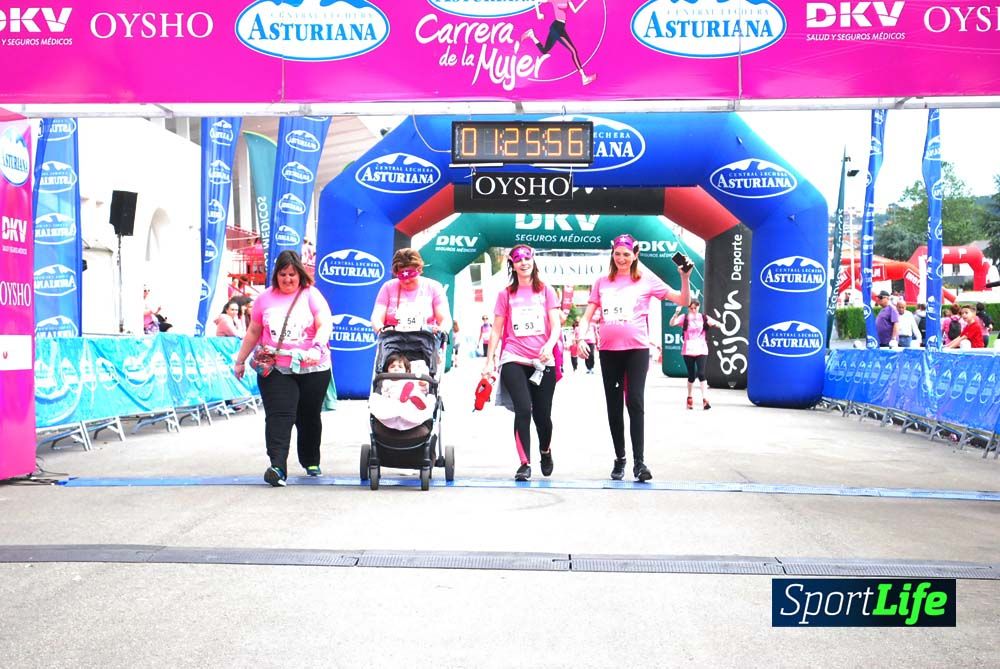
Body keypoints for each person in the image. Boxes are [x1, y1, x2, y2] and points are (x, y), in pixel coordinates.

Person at [577, 234, 691, 482]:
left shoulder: (646, 280)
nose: (621, 259)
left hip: (636, 350)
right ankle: (620, 458)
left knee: (635, 401)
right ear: (612, 254)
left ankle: (639, 462)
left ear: (635, 255)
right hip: (609, 351)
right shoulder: (601, 282)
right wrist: (580, 337)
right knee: (614, 405)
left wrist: (684, 277)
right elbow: (586, 317)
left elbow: (683, 300)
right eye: (617, 254)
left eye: (626, 254)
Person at [234, 250, 332, 487]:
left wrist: (317, 346)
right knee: (279, 415)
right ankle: (277, 467)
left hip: (312, 367)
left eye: (292, 274)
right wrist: (240, 360)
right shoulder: (264, 299)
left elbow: (324, 323)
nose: (287, 279)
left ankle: (310, 459)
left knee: (308, 416)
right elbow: (254, 331)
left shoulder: (311, 295)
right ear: (276, 275)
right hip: (276, 367)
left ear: (300, 275)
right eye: (283, 274)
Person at [482, 244, 562, 481]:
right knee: (523, 409)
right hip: (513, 356)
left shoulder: (546, 291)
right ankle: (524, 463)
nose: (523, 263)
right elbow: (496, 330)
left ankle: (545, 451)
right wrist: (490, 361)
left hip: (542, 360)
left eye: (527, 258)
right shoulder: (505, 294)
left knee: (542, 416)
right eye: (518, 260)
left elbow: (556, 325)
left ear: (533, 260)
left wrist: (549, 345)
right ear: (513, 265)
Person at [371, 248, 452, 335]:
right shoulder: (388, 287)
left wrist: (442, 331)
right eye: (402, 276)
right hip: (393, 340)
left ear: (419, 270)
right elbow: (376, 317)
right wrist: (381, 330)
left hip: (426, 339)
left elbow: (445, 319)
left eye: (411, 275)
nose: (407, 281)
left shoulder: (434, 287)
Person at [520, 0, 597, 86]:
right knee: (573, 51)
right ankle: (584, 77)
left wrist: (584, 1)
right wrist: (538, 13)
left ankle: (531, 35)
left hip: (560, 27)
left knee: (544, 50)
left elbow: (575, 10)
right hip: (557, 27)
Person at [669, 298, 720, 410]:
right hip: (688, 350)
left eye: (695, 308)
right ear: (688, 308)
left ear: (699, 307)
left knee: (701, 373)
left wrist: (716, 324)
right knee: (691, 375)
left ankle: (705, 399)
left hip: (701, 349)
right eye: (691, 308)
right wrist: (676, 313)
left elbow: (719, 324)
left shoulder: (704, 317)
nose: (693, 310)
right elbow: (671, 323)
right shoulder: (684, 317)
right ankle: (689, 397)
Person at [369, 353, 434, 431]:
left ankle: (410, 399)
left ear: (407, 371)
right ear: (387, 370)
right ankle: (404, 397)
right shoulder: (385, 381)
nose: (396, 369)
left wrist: (422, 383)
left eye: (400, 367)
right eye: (392, 367)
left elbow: (423, 389)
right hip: (393, 404)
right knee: (380, 399)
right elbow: (383, 393)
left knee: (418, 392)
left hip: (409, 408)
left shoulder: (411, 379)